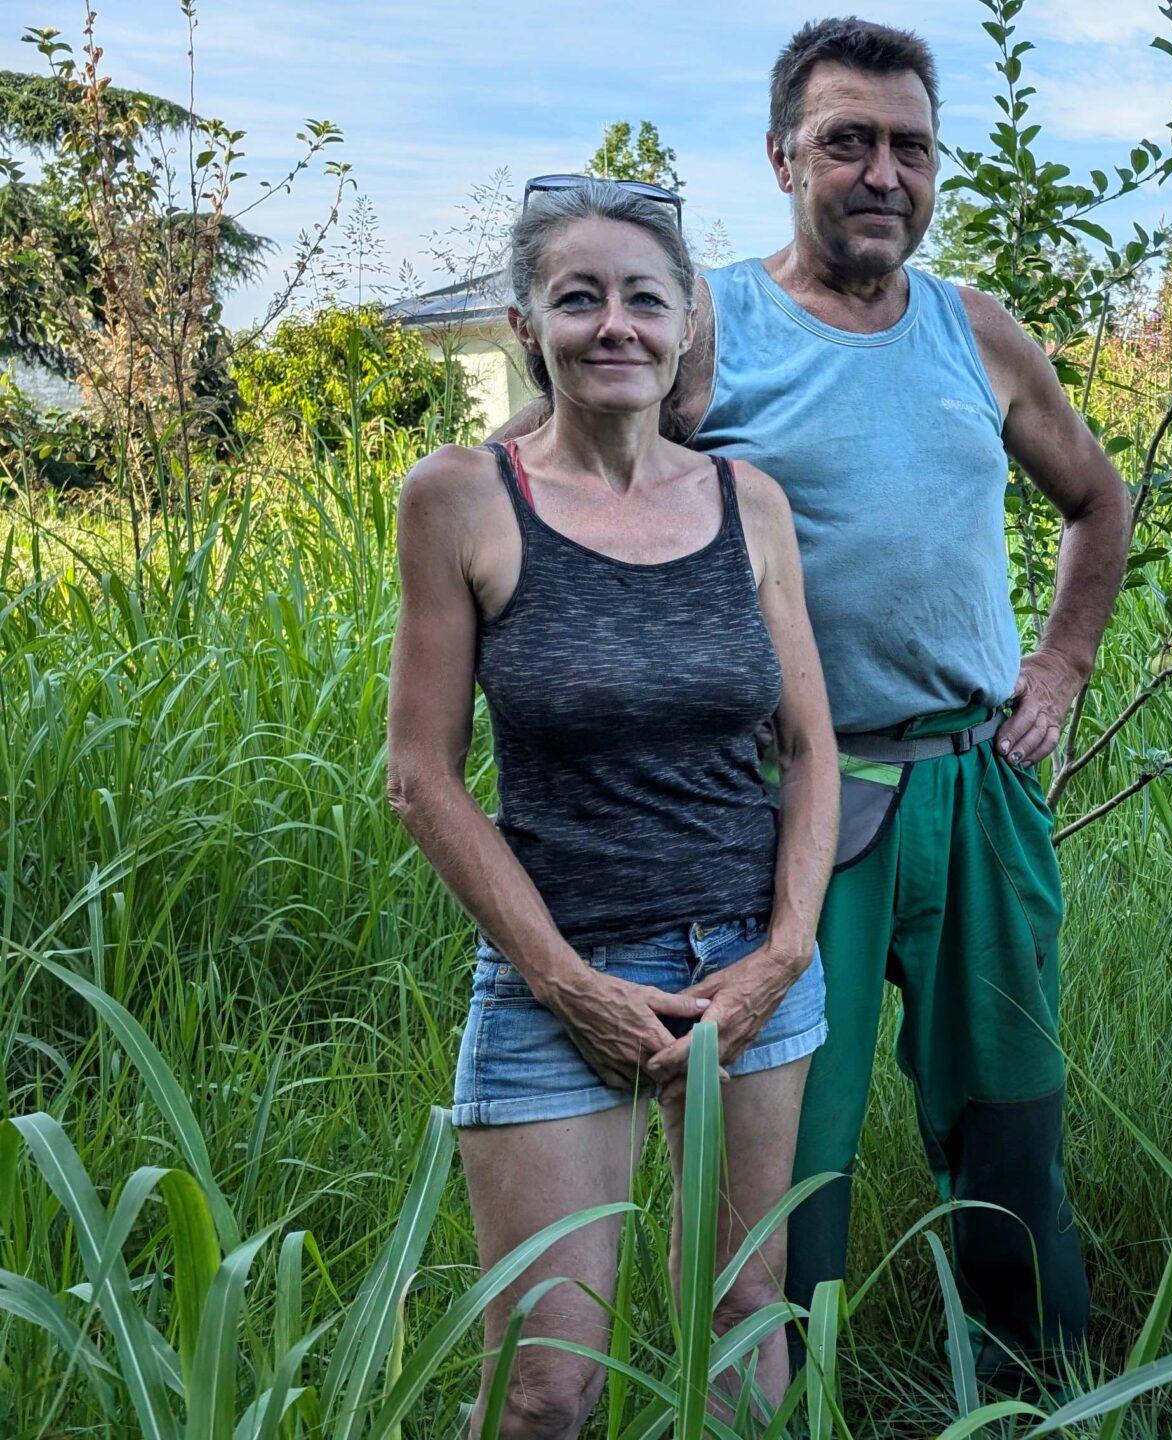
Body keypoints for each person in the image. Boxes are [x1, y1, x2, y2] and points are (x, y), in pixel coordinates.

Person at [493, 13, 1133, 1395]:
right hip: (788, 804)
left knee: (1011, 1118)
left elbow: (1097, 501)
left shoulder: (978, 333)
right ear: (783, 155)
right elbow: (545, 481)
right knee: (799, 1156)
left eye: (910, 146)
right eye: (847, 141)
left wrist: (1063, 665)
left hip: (975, 785)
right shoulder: (702, 320)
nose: (881, 173)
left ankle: (1041, 1395)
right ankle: (792, 1404)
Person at [387, 176, 839, 1437]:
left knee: (743, 1330)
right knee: (546, 1385)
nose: (615, 326)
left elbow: (810, 749)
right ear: (529, 324)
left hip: (747, 971)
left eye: (645, 298)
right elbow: (421, 776)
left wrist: (785, 950)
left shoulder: (748, 502)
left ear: (689, 320)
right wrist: (566, 985)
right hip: (561, 971)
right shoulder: (463, 497)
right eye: (577, 298)